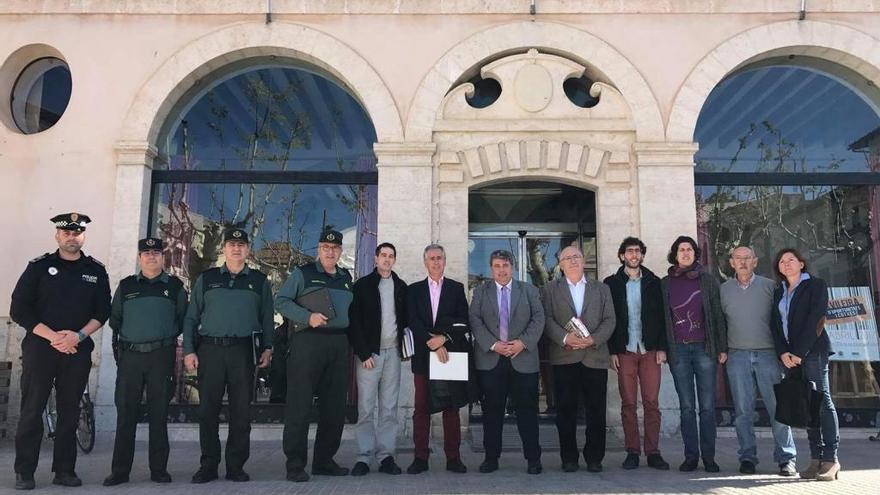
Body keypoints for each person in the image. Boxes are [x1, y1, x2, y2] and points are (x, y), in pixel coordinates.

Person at [10, 212, 111, 490]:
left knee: (70, 412)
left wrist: (76, 337)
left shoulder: (95, 270)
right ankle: (25, 472)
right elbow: (19, 309)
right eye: (66, 232)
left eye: (77, 233)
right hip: (41, 348)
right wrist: (54, 337)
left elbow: (103, 311)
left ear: (83, 236)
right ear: (58, 235)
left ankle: (64, 470)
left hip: (76, 349)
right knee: (32, 411)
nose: (71, 237)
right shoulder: (39, 267)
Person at [182, 228, 274, 484]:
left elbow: (267, 317)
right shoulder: (207, 279)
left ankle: (236, 466)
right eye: (232, 244)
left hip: (244, 352)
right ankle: (208, 465)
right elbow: (191, 318)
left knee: (241, 413)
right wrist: (189, 349)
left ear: (247, 250)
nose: (236, 248)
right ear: (224, 248)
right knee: (207, 411)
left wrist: (268, 347)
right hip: (209, 350)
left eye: (241, 245)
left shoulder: (259, 281)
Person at [103, 238, 188, 486]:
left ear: (163, 257)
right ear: (140, 258)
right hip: (130, 357)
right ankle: (120, 471)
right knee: (126, 414)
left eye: (156, 253)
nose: (151, 257)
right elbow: (115, 319)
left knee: (159, 415)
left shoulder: (174, 287)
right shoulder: (127, 286)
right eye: (146, 253)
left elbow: (183, 318)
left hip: (161, 357)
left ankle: (159, 470)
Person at [275, 229, 354, 482]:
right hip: (308, 342)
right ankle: (295, 464)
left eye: (335, 248)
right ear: (318, 249)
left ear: (340, 251)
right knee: (300, 405)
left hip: (339, 344)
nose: (330, 252)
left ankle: (324, 461)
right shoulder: (303, 273)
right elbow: (281, 301)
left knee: (334, 407)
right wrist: (307, 317)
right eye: (325, 247)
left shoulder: (345, 277)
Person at [720, 246, 796, 476]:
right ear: (731, 263)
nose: (742, 262)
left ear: (755, 261)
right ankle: (747, 457)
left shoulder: (770, 287)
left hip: (768, 355)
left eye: (747, 258)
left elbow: (782, 320)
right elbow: (719, 323)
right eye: (738, 259)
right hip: (737, 355)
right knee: (743, 411)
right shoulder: (723, 290)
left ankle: (786, 458)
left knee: (778, 409)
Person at [470, 250, 545, 474]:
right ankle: (491, 458)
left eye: (505, 265)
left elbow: (539, 318)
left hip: (523, 359)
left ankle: (533, 459)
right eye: (496, 266)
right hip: (491, 360)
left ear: (512, 267)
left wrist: (522, 343)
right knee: (491, 413)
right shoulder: (481, 291)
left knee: (528, 412)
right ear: (491, 268)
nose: (501, 270)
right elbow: (474, 319)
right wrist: (493, 344)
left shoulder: (529, 290)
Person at [544, 245, 615, 473]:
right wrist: (565, 337)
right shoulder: (549, 289)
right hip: (565, 357)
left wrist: (593, 339)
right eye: (567, 258)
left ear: (584, 261)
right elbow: (545, 319)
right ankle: (569, 458)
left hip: (594, 356)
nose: (573, 261)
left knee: (596, 411)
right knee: (565, 411)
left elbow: (610, 319)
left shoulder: (601, 289)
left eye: (577, 256)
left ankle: (594, 457)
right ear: (561, 264)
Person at [771, 248, 839, 481]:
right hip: (789, 356)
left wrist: (800, 352)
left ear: (801, 264)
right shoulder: (778, 291)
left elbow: (816, 319)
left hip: (813, 352)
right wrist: (783, 353)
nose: (787, 264)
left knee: (822, 401)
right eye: (782, 261)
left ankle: (831, 459)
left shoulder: (815, 285)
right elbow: (775, 325)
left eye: (791, 260)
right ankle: (816, 459)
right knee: (807, 404)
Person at [661, 235, 727, 473]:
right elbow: (662, 319)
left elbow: (718, 315)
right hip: (678, 350)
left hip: (704, 349)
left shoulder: (707, 280)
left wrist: (721, 347)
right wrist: (663, 349)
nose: (686, 253)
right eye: (681, 249)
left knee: (707, 406)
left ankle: (709, 457)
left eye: (689, 249)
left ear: (695, 254)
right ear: (675, 255)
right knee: (687, 406)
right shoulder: (665, 283)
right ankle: (691, 456)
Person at [603, 237, 670, 471]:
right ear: (622, 255)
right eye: (629, 251)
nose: (634, 255)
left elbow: (664, 317)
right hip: (625, 350)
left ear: (642, 255)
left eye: (637, 251)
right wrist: (612, 351)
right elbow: (608, 319)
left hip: (650, 350)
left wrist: (663, 347)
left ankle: (653, 452)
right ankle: (632, 451)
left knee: (652, 403)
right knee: (628, 403)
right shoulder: (610, 283)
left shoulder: (654, 282)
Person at [405, 244, 469, 475]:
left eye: (439, 258)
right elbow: (411, 321)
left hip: (449, 355)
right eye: (431, 258)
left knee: (451, 408)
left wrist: (444, 339)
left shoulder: (456, 288)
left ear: (445, 261)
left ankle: (453, 458)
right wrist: (431, 343)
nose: (436, 262)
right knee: (421, 407)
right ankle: (420, 457)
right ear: (425, 262)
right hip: (423, 357)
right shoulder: (413, 290)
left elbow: (464, 321)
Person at [349, 242, 408, 476]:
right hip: (369, 355)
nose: (386, 259)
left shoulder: (402, 287)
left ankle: (386, 456)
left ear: (394, 260)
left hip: (393, 353)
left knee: (389, 408)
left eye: (391, 256)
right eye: (383, 255)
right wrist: (364, 353)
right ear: (375, 258)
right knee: (365, 407)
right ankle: (363, 456)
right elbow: (354, 323)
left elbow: (406, 321)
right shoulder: (362, 286)